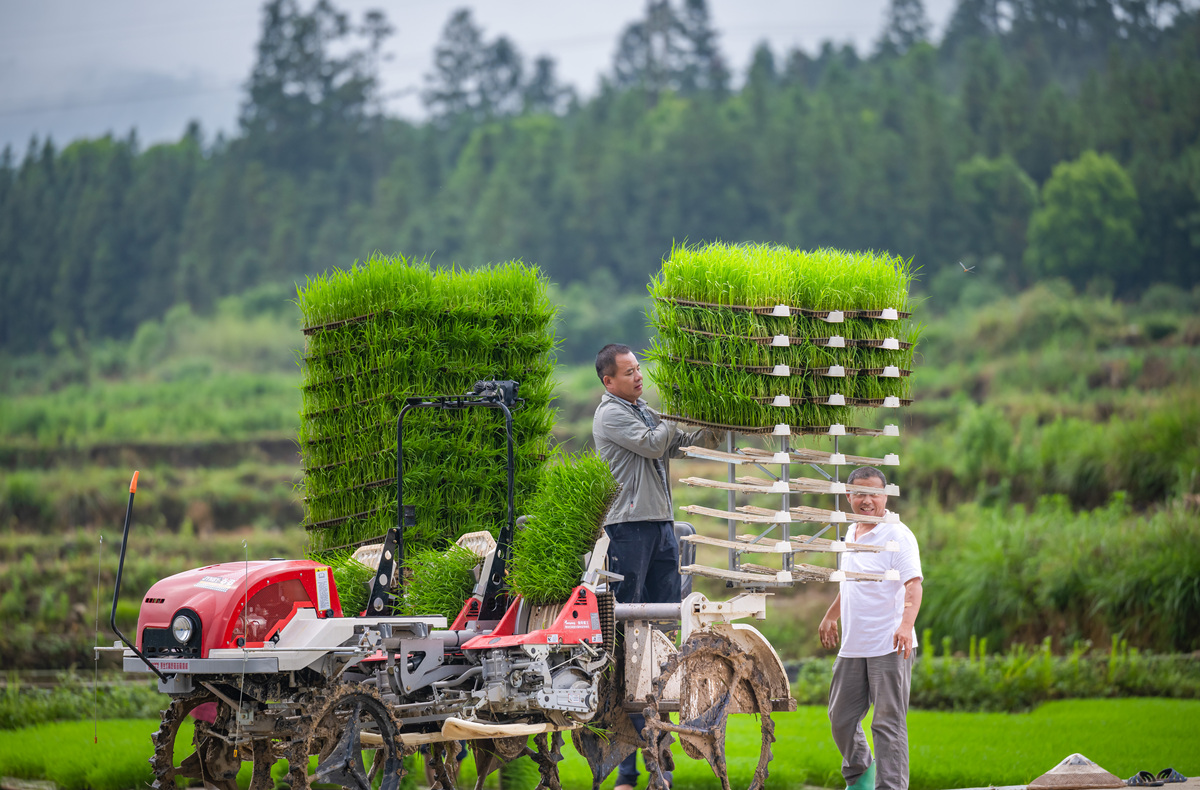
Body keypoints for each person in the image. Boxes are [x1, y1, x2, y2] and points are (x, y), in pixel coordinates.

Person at [592, 343, 722, 790]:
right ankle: (630, 768)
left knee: (665, 626)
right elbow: (654, 444)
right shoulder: (612, 415)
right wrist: (677, 418)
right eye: (628, 372)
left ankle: (657, 756)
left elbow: (679, 442)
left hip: (662, 526)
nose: (638, 376)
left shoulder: (644, 410)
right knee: (633, 637)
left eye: (639, 369)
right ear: (608, 381)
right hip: (629, 528)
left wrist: (713, 421)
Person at [818, 466, 923, 790]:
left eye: (873, 493)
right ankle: (862, 773)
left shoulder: (897, 534)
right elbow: (852, 584)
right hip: (854, 644)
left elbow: (913, 585)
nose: (867, 500)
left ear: (885, 495)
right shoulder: (851, 533)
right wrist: (831, 615)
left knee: (887, 724)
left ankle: (890, 787)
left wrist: (906, 626)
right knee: (841, 717)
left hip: (889, 644)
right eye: (860, 493)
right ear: (849, 496)